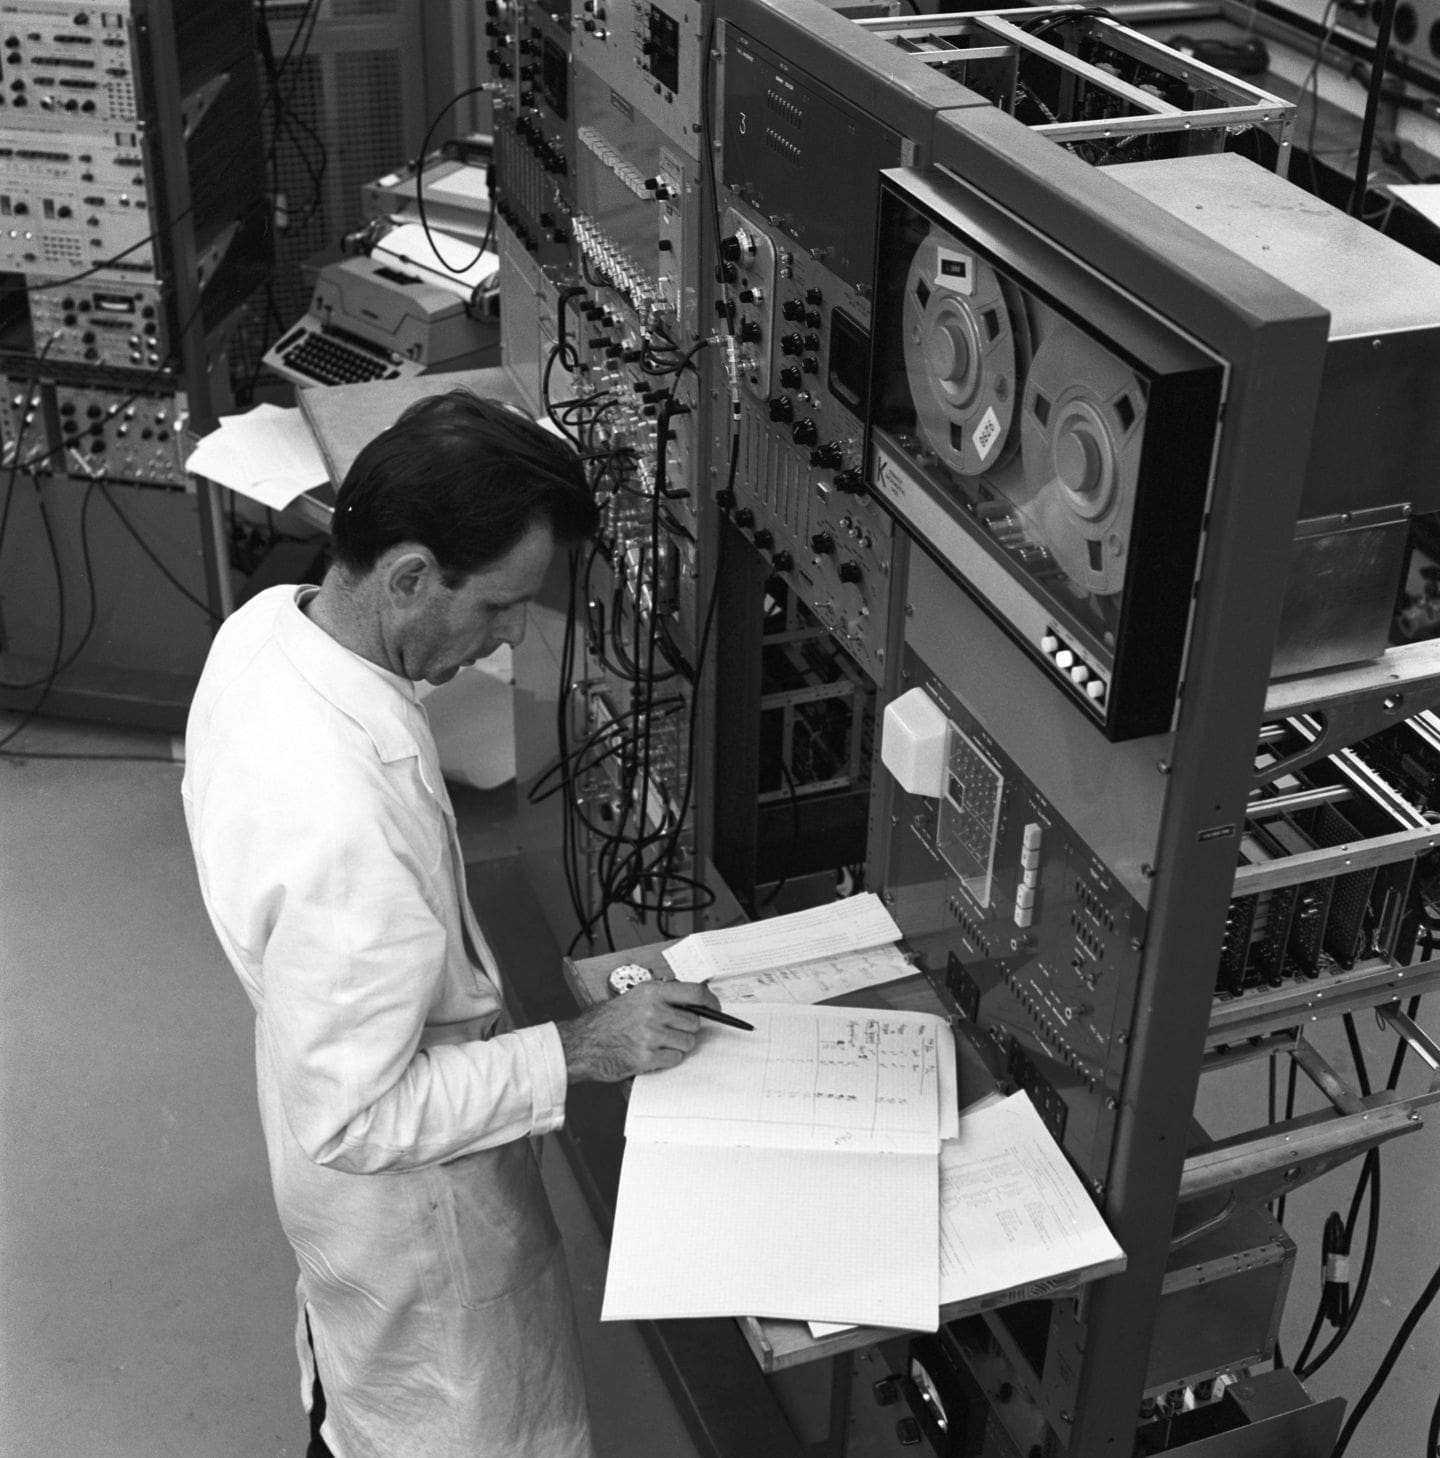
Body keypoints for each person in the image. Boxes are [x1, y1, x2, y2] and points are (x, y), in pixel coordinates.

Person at [181, 388, 718, 1458]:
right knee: (454, 1424)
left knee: (356, 1399)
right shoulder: (343, 817)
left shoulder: (270, 628)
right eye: (499, 607)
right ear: (410, 575)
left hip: (328, 1085)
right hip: (415, 1224)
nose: (515, 637)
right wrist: (583, 1049)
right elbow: (360, 1120)